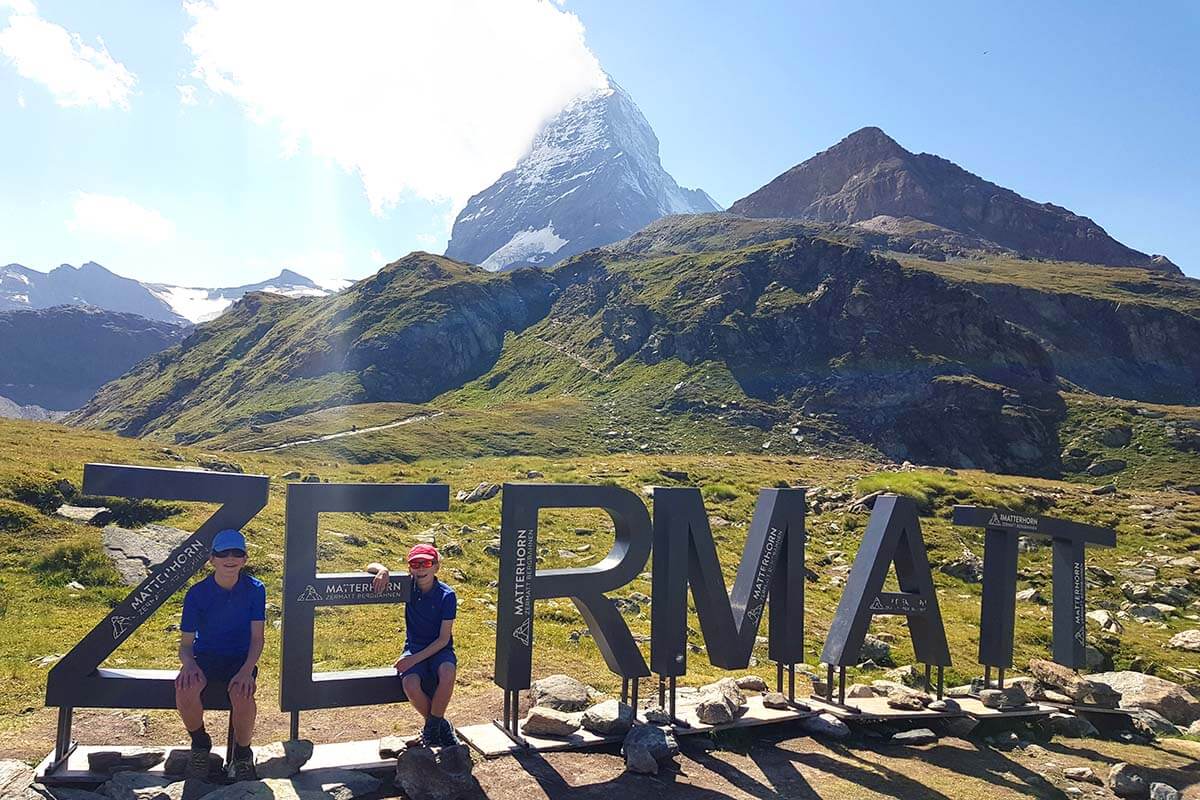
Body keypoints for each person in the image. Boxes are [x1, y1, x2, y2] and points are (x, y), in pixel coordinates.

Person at [175, 529, 266, 780]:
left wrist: (247, 670)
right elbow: (185, 644)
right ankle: (200, 744)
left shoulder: (255, 589)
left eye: (237, 552)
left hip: (240, 657)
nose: (230, 558)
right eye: (222, 553)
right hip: (205, 656)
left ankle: (243, 754)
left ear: (244, 558)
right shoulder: (197, 593)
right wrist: (189, 665)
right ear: (211, 559)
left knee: (243, 693)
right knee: (185, 687)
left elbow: (257, 638)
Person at [367, 543, 459, 747]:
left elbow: (444, 639)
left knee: (447, 672)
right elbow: (370, 565)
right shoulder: (407, 586)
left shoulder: (447, 595)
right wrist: (383, 570)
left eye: (426, 563)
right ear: (409, 568)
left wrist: (412, 660)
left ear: (436, 567)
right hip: (414, 647)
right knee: (410, 684)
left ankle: (430, 729)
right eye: (415, 564)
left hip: (439, 650)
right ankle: (439, 726)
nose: (421, 568)